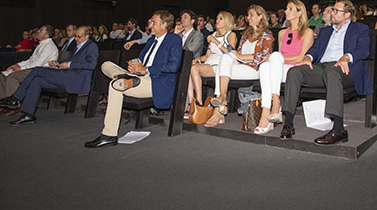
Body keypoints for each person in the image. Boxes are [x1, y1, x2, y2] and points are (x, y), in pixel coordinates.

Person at [279, 0, 372, 145]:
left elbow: (364, 49)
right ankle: (288, 123)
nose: (332, 13)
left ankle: (338, 129)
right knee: (295, 71)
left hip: (346, 69)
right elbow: (315, 50)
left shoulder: (359, 29)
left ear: (347, 14)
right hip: (322, 67)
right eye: (332, 10)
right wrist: (308, 57)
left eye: (336, 10)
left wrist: (347, 56)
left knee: (332, 72)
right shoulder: (326, 30)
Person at [85, 10, 182, 148]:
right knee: (106, 65)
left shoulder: (174, 39)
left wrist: (146, 69)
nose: (150, 25)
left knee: (116, 86)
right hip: (139, 76)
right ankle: (126, 78)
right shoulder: (150, 41)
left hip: (155, 81)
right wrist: (134, 65)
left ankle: (109, 135)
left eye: (153, 22)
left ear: (164, 24)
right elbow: (141, 61)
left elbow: (173, 66)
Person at [3, 26, 98, 125]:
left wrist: (69, 65)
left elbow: (91, 65)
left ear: (86, 37)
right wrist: (58, 63)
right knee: (37, 81)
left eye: (79, 37)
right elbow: (71, 61)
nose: (76, 39)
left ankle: (15, 98)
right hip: (68, 76)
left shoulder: (91, 46)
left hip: (75, 79)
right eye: (75, 36)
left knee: (37, 70)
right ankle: (28, 114)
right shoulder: (79, 46)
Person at [205, 5, 273, 127]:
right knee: (224, 58)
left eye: (251, 15)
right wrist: (235, 55)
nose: (248, 18)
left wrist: (241, 57)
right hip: (241, 66)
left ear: (260, 17)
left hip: (254, 68)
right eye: (248, 15)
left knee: (223, 65)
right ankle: (222, 97)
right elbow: (238, 53)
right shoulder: (246, 34)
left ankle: (218, 109)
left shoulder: (266, 34)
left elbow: (265, 55)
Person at [255, 0, 314, 134]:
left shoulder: (307, 32)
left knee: (274, 57)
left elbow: (300, 57)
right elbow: (278, 60)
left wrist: (276, 58)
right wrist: (275, 59)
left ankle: (274, 105)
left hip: (295, 69)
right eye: (286, 9)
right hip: (280, 69)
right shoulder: (282, 33)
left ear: (299, 13)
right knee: (264, 66)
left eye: (290, 9)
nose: (286, 11)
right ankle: (268, 110)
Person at [187, 11, 237, 108]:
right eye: (217, 18)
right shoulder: (213, 35)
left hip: (220, 66)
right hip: (209, 63)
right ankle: (191, 102)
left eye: (221, 18)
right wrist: (198, 58)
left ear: (227, 21)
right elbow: (206, 56)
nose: (217, 20)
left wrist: (216, 41)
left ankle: (199, 101)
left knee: (194, 69)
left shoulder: (231, 35)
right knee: (189, 67)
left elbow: (230, 53)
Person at [0, 25, 58, 100]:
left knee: (13, 76)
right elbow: (31, 60)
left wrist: (21, 68)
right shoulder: (42, 44)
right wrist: (18, 64)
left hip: (40, 71)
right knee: (3, 75)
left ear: (46, 35)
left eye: (40, 31)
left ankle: (14, 102)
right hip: (32, 68)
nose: (38, 31)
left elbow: (38, 63)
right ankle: (4, 99)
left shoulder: (49, 46)